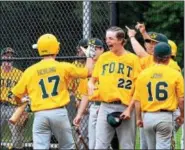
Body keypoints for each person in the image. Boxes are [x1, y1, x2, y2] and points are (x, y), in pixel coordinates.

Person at [11, 33, 95, 149]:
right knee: (67, 147)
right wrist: (89, 55)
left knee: (40, 147)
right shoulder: (63, 67)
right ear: (57, 48)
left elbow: (16, 94)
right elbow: (89, 72)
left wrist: (20, 102)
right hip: (59, 113)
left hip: (40, 114)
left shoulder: (30, 71)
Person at [126, 24, 181, 149]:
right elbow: (144, 50)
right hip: (149, 111)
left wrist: (132, 37)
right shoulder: (149, 60)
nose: (150, 45)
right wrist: (143, 33)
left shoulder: (170, 65)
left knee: (161, 144)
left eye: (154, 44)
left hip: (167, 110)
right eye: (149, 42)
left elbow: (141, 52)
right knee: (148, 145)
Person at [88, 26, 141, 149]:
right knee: (100, 146)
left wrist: (129, 109)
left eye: (111, 38)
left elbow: (138, 88)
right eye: (106, 38)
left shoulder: (133, 59)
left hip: (125, 107)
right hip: (105, 106)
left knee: (127, 146)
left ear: (121, 40)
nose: (107, 41)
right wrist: (90, 84)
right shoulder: (104, 57)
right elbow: (92, 79)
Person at [73, 38, 105, 149]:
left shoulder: (107, 64)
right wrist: (79, 113)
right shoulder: (82, 68)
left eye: (94, 49)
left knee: (102, 140)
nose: (91, 52)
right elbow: (85, 93)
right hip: (91, 106)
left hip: (106, 105)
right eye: (89, 49)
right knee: (91, 141)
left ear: (102, 50)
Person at [0, 47, 28, 150]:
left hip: (14, 107)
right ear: (2, 57)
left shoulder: (20, 74)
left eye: (11, 56)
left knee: (18, 137)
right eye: (6, 56)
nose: (8, 58)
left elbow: (25, 93)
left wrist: (23, 109)